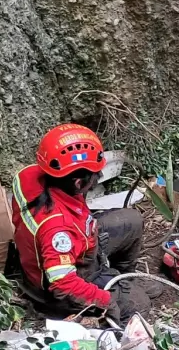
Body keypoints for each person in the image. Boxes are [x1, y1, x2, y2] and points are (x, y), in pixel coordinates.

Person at [11, 123, 148, 322]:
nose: (96, 180)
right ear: (78, 183)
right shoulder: (58, 229)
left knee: (132, 221)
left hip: (76, 243)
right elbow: (62, 285)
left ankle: (123, 280)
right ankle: (100, 322)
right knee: (140, 303)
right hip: (56, 286)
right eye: (94, 176)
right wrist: (105, 300)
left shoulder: (29, 174)